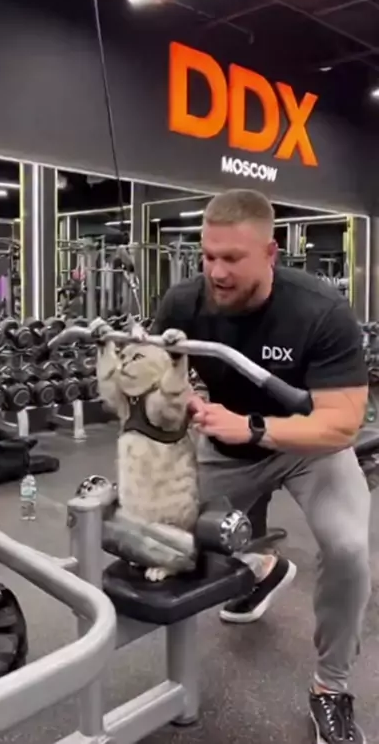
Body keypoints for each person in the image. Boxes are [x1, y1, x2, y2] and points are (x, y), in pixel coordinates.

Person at [152, 189, 370, 744]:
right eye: (208, 256)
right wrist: (182, 399)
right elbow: (160, 375)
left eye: (232, 258)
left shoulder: (319, 311)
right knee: (156, 538)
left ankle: (331, 688)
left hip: (308, 448)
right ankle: (262, 568)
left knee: (348, 549)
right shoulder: (184, 303)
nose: (217, 272)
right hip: (226, 443)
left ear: (270, 254)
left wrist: (253, 427)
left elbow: (343, 423)